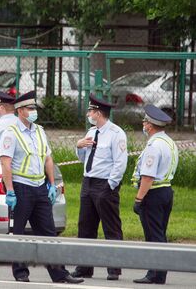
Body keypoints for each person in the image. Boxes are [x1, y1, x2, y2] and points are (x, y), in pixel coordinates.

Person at [0, 90, 83, 284]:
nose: (34, 111)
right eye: (30, 108)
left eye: (34, 107)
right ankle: (21, 274)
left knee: (48, 233)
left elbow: (48, 158)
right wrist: (10, 191)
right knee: (18, 233)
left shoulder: (39, 130)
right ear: (20, 111)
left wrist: (52, 185)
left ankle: (60, 274)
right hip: (21, 188)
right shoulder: (11, 134)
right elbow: (5, 163)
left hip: (40, 187)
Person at [72, 94, 128, 281]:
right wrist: (79, 146)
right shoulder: (91, 132)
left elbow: (120, 164)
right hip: (88, 182)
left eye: (90, 111)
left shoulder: (116, 134)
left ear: (98, 113)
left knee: (111, 227)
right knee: (85, 227)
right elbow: (83, 159)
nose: (88, 114)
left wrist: (109, 187)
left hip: (105, 184)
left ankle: (114, 269)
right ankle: (84, 267)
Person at [131, 105, 178, 284]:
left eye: (144, 121)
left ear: (150, 125)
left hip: (153, 194)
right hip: (166, 191)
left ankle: (154, 273)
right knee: (160, 233)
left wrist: (139, 198)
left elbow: (148, 176)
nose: (143, 124)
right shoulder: (169, 142)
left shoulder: (153, 146)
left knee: (153, 235)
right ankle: (160, 273)